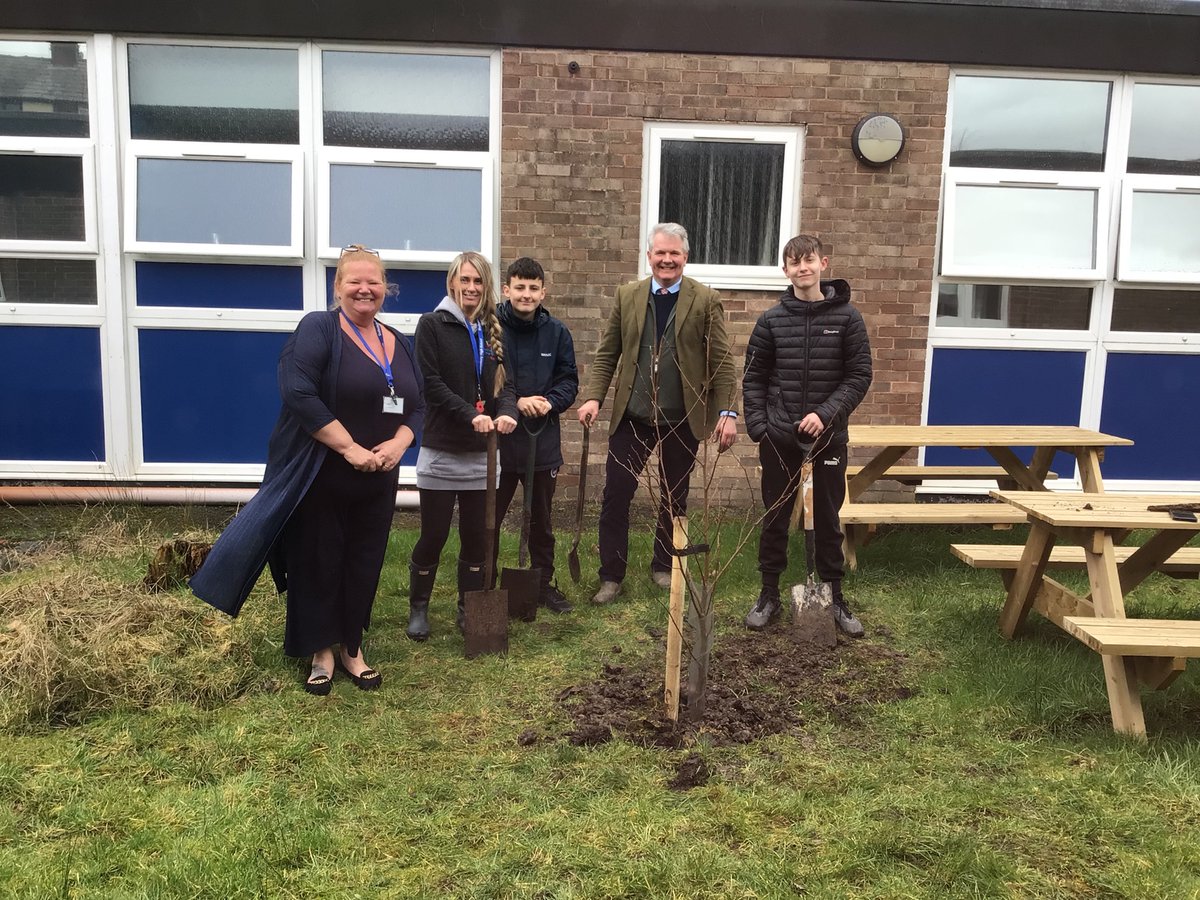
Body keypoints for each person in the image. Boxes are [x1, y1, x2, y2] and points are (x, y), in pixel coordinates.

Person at [192, 245, 424, 694]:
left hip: (379, 473)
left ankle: (352, 649)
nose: (364, 289)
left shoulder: (398, 340)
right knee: (319, 560)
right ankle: (321, 651)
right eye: (354, 281)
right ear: (337, 287)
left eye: (373, 282)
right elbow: (298, 392)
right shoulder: (318, 328)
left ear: (386, 289)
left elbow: (418, 405)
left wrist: (399, 442)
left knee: (364, 558)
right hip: (321, 471)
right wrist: (350, 448)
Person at [577, 222, 737, 605]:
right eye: (660, 253)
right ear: (648, 256)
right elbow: (607, 354)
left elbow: (723, 362)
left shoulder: (705, 300)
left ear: (685, 257)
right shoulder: (627, 296)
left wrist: (727, 412)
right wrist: (594, 397)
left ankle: (664, 566)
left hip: (681, 417)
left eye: (674, 254)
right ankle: (611, 576)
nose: (667, 260)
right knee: (616, 495)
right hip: (632, 416)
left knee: (673, 496)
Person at [742, 234, 872, 635]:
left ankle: (834, 597)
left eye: (809, 260)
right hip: (780, 439)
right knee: (776, 518)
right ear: (785, 270)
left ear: (823, 263)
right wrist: (761, 428)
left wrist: (825, 414)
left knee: (829, 519)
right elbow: (754, 378)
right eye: (794, 262)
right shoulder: (771, 320)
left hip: (828, 439)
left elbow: (859, 376)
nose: (803, 268)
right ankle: (769, 595)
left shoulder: (847, 318)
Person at [405, 251, 517, 640]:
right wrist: (470, 413)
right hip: (442, 451)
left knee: (477, 536)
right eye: (464, 280)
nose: (471, 288)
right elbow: (430, 384)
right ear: (452, 283)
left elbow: (507, 385)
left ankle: (468, 608)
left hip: (483, 458)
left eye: (478, 282)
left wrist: (508, 413)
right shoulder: (432, 325)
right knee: (433, 535)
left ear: (486, 287)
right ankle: (418, 607)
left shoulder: (492, 329)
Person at [492, 257, 579, 613]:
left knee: (541, 519)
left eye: (533, 288)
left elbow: (569, 380)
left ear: (543, 292)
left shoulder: (557, 332)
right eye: (519, 287)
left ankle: (543, 584)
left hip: (540, 441)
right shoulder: (491, 327)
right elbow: (485, 379)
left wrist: (549, 403)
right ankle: (486, 584)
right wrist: (516, 402)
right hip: (499, 441)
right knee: (488, 520)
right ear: (506, 289)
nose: (526, 295)